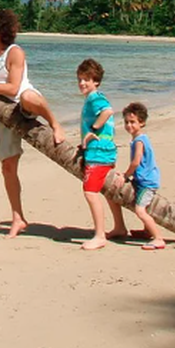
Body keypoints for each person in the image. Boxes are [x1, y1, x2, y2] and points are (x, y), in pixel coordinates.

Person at [0, 10, 66, 238]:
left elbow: (14, 88)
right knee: (7, 167)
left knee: (27, 97)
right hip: (5, 114)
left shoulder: (14, 52)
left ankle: (55, 123)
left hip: (23, 102)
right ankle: (18, 217)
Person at [77, 58, 127, 250]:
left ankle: (99, 235)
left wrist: (94, 129)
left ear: (96, 81)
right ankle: (120, 227)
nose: (82, 83)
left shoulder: (94, 98)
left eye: (87, 79)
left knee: (90, 192)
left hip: (99, 154)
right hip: (106, 152)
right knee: (107, 192)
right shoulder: (94, 97)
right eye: (80, 79)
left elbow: (107, 111)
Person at [113, 102, 165, 251]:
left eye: (132, 122)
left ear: (141, 122)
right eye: (126, 122)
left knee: (140, 210)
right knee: (143, 208)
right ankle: (147, 231)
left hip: (147, 182)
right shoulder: (140, 139)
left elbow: (136, 162)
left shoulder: (139, 141)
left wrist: (125, 175)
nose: (129, 125)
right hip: (144, 179)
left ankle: (158, 238)